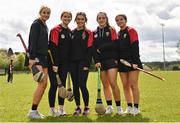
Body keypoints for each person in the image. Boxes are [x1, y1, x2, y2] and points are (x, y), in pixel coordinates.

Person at [98, 14, 142, 115]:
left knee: (133, 85)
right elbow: (116, 49)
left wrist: (135, 62)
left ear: (125, 20)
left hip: (133, 62)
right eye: (117, 20)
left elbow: (135, 46)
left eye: (121, 19)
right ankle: (129, 106)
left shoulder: (131, 31)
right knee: (125, 86)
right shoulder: (118, 34)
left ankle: (136, 108)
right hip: (122, 63)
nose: (119, 21)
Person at [92, 12, 123, 115]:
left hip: (111, 60)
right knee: (105, 85)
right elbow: (93, 48)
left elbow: (115, 44)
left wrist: (101, 48)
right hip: (100, 62)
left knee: (113, 83)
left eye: (103, 18)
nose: (101, 20)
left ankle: (119, 107)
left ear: (106, 19)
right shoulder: (94, 32)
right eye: (99, 18)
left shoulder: (111, 29)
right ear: (97, 20)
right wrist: (96, 61)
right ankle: (109, 107)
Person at [26, 5, 51, 119]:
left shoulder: (45, 26)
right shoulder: (36, 24)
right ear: (40, 12)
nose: (46, 14)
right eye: (44, 12)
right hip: (36, 58)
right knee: (42, 83)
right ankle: (32, 111)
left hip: (44, 57)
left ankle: (34, 110)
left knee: (44, 84)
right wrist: (31, 58)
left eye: (48, 13)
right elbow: (32, 41)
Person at [48, 11, 72, 116]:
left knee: (62, 87)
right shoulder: (55, 30)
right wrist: (55, 64)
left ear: (71, 19)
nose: (67, 18)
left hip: (65, 64)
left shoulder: (70, 31)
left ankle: (61, 109)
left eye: (69, 17)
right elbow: (53, 47)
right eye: (65, 16)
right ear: (61, 17)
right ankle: (52, 110)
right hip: (54, 63)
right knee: (54, 85)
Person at [70, 12, 93, 115]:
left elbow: (90, 50)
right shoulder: (72, 32)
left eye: (82, 19)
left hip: (83, 63)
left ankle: (87, 107)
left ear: (85, 20)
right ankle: (78, 107)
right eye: (78, 19)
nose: (80, 21)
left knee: (82, 84)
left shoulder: (88, 33)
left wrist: (87, 65)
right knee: (75, 85)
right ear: (75, 20)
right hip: (72, 63)